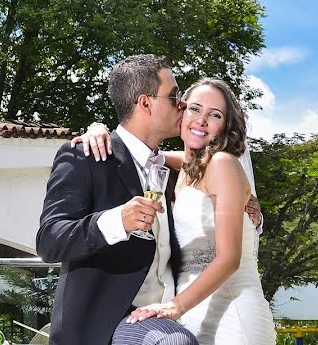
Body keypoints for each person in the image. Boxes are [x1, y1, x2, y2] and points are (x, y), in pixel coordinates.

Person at [75, 78, 276, 345]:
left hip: (231, 308)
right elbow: (134, 149)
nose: (201, 120)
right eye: (195, 109)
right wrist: (97, 129)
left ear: (225, 126)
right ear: (180, 110)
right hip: (192, 311)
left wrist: (175, 306)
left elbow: (230, 258)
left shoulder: (222, 163)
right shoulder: (186, 166)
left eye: (215, 115)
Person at [35, 54, 198, 345]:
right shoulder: (86, 156)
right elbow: (50, 241)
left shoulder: (171, 171)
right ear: (145, 103)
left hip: (174, 313)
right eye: (174, 97)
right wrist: (116, 221)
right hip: (105, 326)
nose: (183, 105)